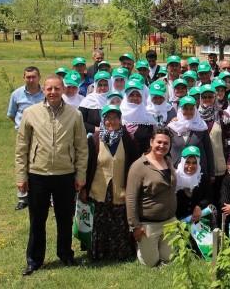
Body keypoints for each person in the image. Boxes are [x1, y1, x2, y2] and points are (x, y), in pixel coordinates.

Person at [15, 74, 88, 275]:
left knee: (65, 218)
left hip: (65, 174)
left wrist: (80, 174)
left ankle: (65, 253)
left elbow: (82, 148)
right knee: (37, 219)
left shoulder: (75, 115)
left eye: (57, 88)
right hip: (38, 174)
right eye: (49, 89)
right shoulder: (31, 113)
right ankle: (34, 260)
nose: (53, 92)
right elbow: (22, 147)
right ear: (43, 90)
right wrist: (21, 176)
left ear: (63, 90)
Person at [80, 104, 139, 260]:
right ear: (103, 120)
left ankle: (119, 253)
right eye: (108, 118)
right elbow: (87, 165)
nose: (111, 121)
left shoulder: (127, 139)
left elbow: (134, 164)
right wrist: (84, 188)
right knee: (99, 223)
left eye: (115, 118)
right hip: (98, 189)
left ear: (120, 120)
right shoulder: (94, 140)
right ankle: (98, 253)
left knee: (118, 221)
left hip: (119, 189)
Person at [126, 128, 177, 267]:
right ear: (151, 142)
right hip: (149, 224)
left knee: (168, 258)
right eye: (159, 142)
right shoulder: (139, 167)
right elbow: (131, 199)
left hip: (169, 222)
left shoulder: (169, 161)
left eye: (166, 143)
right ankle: (141, 247)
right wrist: (135, 226)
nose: (162, 146)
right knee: (151, 263)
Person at [8, 65, 44, 210]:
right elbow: (12, 114)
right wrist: (21, 126)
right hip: (23, 134)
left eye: (33, 77)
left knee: (39, 163)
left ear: (39, 77)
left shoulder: (45, 94)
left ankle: (40, 194)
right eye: (28, 77)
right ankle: (23, 197)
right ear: (24, 78)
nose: (31, 80)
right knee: (22, 162)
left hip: (42, 135)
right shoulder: (17, 94)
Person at [196, 84, 230, 205]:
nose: (207, 100)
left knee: (220, 197)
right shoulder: (195, 117)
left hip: (220, 164)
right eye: (204, 97)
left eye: (210, 97)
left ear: (215, 98)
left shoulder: (223, 116)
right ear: (200, 98)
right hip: (201, 164)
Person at [168, 96, 214, 177]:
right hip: (176, 174)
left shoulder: (201, 127)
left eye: (191, 108)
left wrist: (211, 173)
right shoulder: (172, 128)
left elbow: (208, 151)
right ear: (180, 110)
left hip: (199, 175)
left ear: (195, 110)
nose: (188, 111)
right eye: (185, 108)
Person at [175, 146, 217, 228]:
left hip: (198, 217)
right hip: (179, 220)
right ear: (183, 162)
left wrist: (199, 206)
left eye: (194, 163)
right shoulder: (175, 177)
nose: (191, 166)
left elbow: (209, 196)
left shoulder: (201, 176)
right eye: (188, 162)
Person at [121, 80, 157, 154]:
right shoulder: (118, 117)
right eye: (131, 95)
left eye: (138, 95)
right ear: (126, 96)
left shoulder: (148, 118)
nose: (135, 98)